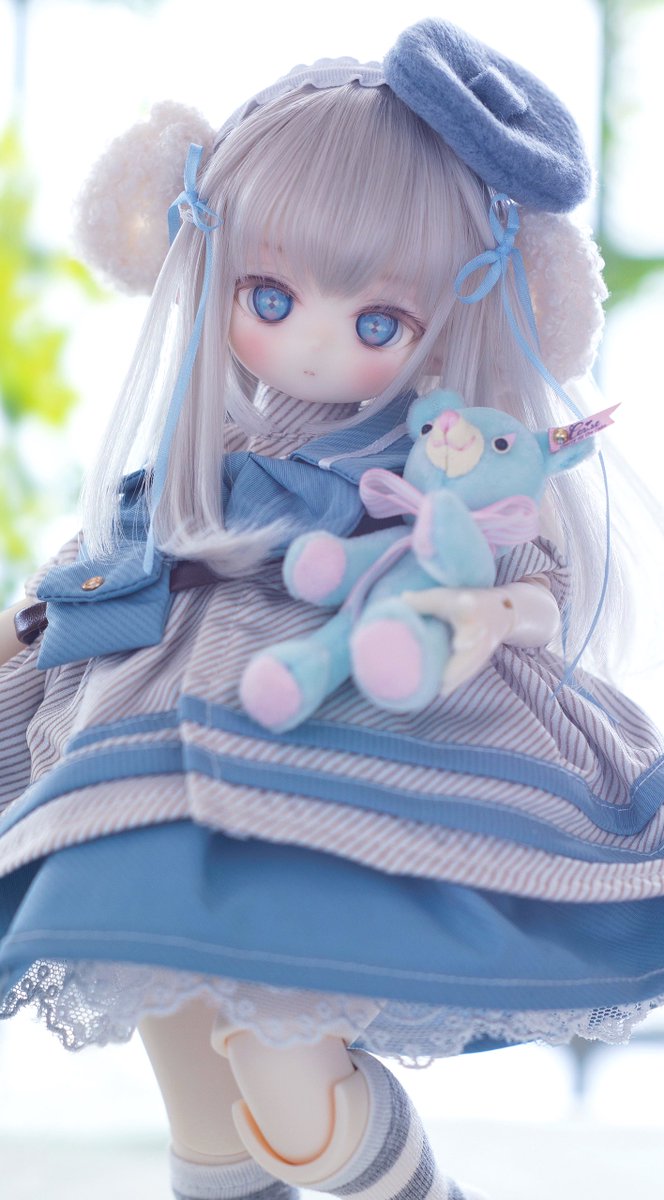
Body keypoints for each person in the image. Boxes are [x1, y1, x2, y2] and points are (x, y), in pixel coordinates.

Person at [1, 17, 663, 1200]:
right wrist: (26, 631)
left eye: (375, 322)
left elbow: (529, 577)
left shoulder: (431, 467)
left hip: (336, 749)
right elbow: (115, 554)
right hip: (153, 744)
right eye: (269, 294)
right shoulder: (203, 459)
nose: (310, 344)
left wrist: (484, 618)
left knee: (287, 1081)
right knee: (195, 1083)